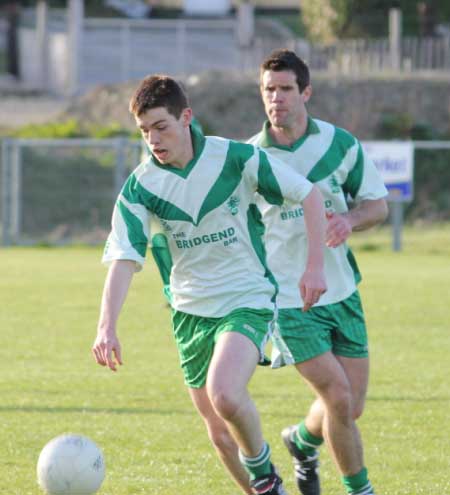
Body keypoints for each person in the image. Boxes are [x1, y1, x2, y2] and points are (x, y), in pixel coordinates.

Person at [92, 74, 328, 495]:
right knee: (219, 434)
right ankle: (266, 490)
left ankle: (264, 472)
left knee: (225, 392)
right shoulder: (141, 186)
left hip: (247, 298)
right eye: (144, 131)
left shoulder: (236, 158)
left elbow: (308, 195)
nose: (153, 140)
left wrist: (315, 267)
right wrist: (106, 326)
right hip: (189, 311)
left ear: (186, 117)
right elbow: (125, 257)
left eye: (161, 127)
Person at [247, 49, 389, 495]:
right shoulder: (249, 159)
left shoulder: (340, 144)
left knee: (351, 406)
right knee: (339, 399)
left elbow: (377, 206)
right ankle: (359, 490)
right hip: (290, 302)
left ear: (305, 91)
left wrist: (349, 220)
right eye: (269, 90)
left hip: (343, 292)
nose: (277, 99)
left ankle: (302, 441)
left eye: (286, 89)